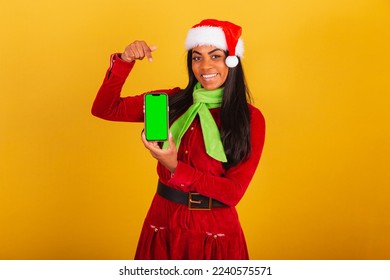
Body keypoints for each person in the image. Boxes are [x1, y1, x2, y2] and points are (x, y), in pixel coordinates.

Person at [91, 19, 266, 260]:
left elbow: (232, 192)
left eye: (215, 56)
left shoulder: (250, 118)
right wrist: (125, 61)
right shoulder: (170, 102)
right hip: (162, 224)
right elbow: (105, 109)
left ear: (231, 61)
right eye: (196, 57)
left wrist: (174, 166)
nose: (205, 66)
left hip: (214, 232)